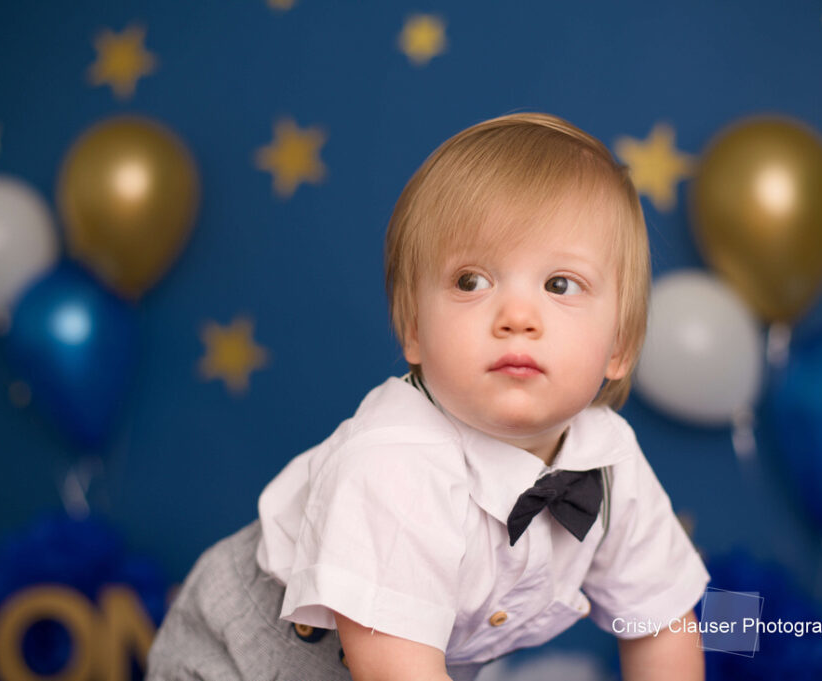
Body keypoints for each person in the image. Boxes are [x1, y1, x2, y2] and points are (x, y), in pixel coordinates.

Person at [147, 112, 710, 681]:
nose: (517, 316)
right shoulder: (394, 462)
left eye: (560, 285)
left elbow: (663, 622)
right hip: (249, 661)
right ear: (414, 329)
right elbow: (396, 670)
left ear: (620, 346)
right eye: (472, 281)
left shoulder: (610, 461)